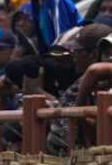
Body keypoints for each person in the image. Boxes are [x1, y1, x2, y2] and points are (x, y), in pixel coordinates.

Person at [46, 23, 112, 154]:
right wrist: (82, 118)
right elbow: (97, 137)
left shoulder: (89, 82)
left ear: (93, 55)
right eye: (106, 53)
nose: (73, 56)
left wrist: (77, 108)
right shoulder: (95, 88)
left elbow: (94, 70)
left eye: (77, 51)